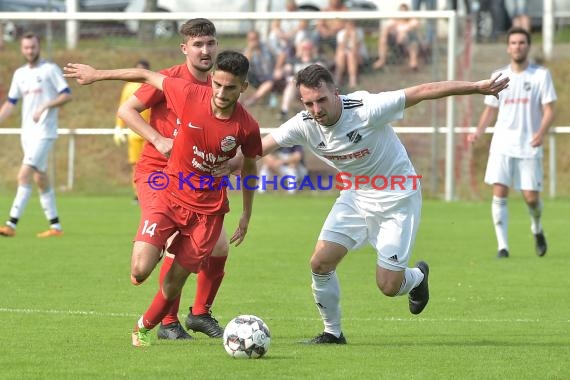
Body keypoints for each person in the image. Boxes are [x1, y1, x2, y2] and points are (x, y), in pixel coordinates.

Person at [232, 63, 509, 344]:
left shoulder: (366, 109)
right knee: (320, 262)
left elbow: (425, 90)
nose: (317, 110)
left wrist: (477, 87)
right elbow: (255, 151)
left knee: (388, 286)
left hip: (398, 197)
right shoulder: (303, 125)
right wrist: (218, 165)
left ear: (336, 93)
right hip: (355, 196)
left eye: (322, 100)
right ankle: (332, 332)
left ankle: (416, 278)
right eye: (309, 103)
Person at [64, 50, 262, 348]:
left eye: (230, 87)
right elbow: (144, 75)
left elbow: (249, 165)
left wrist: (246, 214)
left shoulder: (247, 126)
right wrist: (96, 75)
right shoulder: (188, 94)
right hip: (170, 196)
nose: (221, 93)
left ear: (243, 87)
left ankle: (142, 328)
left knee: (174, 282)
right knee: (139, 271)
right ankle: (157, 254)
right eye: (217, 85)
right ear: (211, 80)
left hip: (208, 214)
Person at [108, 19, 232, 340]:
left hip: (195, 179)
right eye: (198, 44)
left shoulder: (219, 86)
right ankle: (167, 321)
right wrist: (158, 140)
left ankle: (200, 314)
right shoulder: (169, 79)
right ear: (185, 48)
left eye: (210, 43)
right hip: (157, 175)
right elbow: (127, 110)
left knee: (218, 245)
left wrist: (228, 162)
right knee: (143, 267)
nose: (206, 51)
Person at [468, 27, 556, 259]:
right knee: (500, 193)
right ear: (508, 47)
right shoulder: (498, 76)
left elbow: (549, 110)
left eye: (522, 42)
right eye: (514, 42)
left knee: (531, 198)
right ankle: (503, 247)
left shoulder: (540, 75)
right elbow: (490, 110)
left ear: (528, 46)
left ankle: (537, 229)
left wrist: (540, 132)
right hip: (502, 144)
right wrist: (478, 132)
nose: (518, 46)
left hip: (529, 145)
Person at [0, 32, 72, 238]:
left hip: (45, 132)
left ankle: (11, 224)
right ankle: (55, 227)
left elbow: (66, 94)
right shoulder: (19, 74)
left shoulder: (50, 70)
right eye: (26, 48)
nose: (30, 51)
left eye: (33, 47)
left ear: (39, 47)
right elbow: (11, 103)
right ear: (22, 49)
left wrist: (46, 105)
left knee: (23, 175)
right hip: (27, 134)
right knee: (40, 178)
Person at [114, 59, 151, 204]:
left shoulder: (152, 86)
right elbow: (123, 108)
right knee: (135, 164)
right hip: (134, 132)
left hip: (150, 132)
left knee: (151, 164)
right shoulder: (128, 87)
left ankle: (151, 191)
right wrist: (119, 127)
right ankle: (138, 193)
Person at [373, 3, 421, 71]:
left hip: (407, 42)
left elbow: (415, 24)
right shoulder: (395, 20)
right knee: (384, 35)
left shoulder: (410, 20)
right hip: (395, 41)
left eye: (405, 11)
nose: (403, 14)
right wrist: (385, 35)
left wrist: (403, 32)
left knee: (413, 38)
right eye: (401, 11)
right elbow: (386, 27)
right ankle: (382, 59)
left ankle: (413, 62)